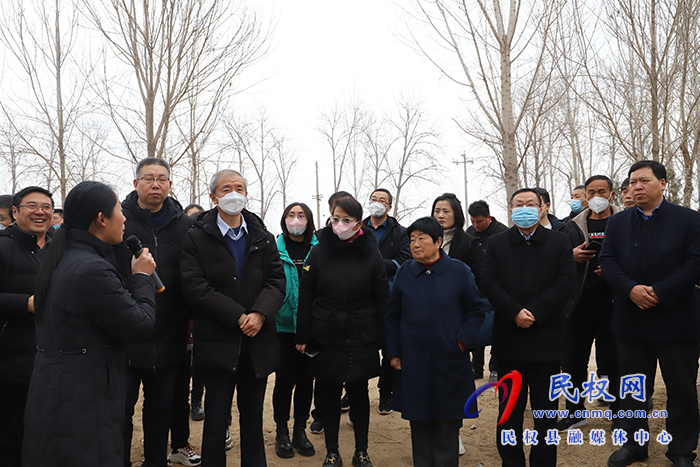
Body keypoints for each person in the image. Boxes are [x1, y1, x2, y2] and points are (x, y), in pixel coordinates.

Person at [22, 181, 157, 466]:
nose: (124, 219)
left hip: (65, 389)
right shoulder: (90, 269)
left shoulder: (67, 256)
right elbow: (140, 325)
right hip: (81, 401)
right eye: (120, 211)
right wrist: (142, 278)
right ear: (101, 219)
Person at [181, 169, 285, 467]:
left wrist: (259, 313)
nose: (234, 193)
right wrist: (238, 316)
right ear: (213, 196)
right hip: (217, 340)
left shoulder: (262, 236)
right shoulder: (196, 237)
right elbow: (195, 287)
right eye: (226, 188)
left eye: (239, 187)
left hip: (257, 340)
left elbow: (276, 281)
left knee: (253, 418)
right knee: (215, 418)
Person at [600, 160, 700, 467]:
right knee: (632, 388)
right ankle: (634, 444)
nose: (636, 187)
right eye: (632, 182)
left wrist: (661, 291)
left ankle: (681, 450)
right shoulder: (617, 223)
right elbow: (609, 260)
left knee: (681, 388)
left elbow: (695, 261)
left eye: (644, 180)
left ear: (663, 183)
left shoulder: (689, 219)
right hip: (632, 320)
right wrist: (630, 289)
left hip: (677, 319)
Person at [481, 188, 576, 467]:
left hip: (546, 340)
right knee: (508, 413)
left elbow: (566, 282)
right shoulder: (497, 243)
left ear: (543, 208)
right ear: (511, 210)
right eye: (518, 204)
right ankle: (512, 462)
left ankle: (543, 463)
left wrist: (534, 311)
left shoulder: (559, 242)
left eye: (530, 204)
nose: (524, 208)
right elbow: (489, 282)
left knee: (545, 414)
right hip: (508, 342)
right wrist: (513, 312)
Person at [116, 157, 199, 467]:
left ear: (170, 184)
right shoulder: (118, 219)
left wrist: (191, 316)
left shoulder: (185, 224)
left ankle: (155, 461)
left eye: (162, 179)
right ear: (136, 183)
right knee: (121, 407)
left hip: (170, 330)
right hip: (125, 330)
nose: (155, 184)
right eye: (148, 178)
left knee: (162, 407)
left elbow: (192, 275)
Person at [296, 196, 389, 467]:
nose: (340, 224)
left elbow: (382, 296)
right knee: (328, 394)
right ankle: (332, 452)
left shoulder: (371, 251)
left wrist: (383, 339)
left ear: (359, 223)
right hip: (326, 333)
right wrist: (303, 334)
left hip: (361, 332)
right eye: (336, 218)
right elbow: (306, 294)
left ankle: (362, 451)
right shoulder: (319, 250)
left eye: (347, 220)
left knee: (359, 393)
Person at [386, 216, 484, 467]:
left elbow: (475, 312)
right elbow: (392, 314)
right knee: (419, 425)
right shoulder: (405, 272)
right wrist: (394, 351)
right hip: (413, 362)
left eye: (422, 239)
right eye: (412, 239)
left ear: (438, 241)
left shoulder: (459, 271)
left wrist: (461, 342)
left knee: (446, 425)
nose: (416, 244)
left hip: (449, 361)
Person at [558, 175, 622, 432]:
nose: (596, 196)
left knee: (615, 361)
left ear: (611, 194)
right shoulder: (571, 227)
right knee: (573, 361)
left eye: (601, 191)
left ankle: (620, 414)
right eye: (591, 191)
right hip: (579, 304)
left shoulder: (626, 221)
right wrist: (569, 256)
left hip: (616, 303)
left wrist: (614, 270)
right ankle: (575, 412)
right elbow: (555, 261)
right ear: (585, 195)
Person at [0, 186, 53, 467]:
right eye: (32, 206)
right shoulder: (3, 245)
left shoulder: (61, 247)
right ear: (15, 211)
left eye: (46, 206)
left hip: (53, 358)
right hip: (12, 360)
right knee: (12, 436)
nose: (39, 212)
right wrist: (26, 304)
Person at [273, 203, 318, 459]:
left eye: (301, 215)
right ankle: (282, 431)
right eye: (291, 215)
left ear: (309, 220)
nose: (296, 219)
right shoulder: (274, 249)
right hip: (283, 327)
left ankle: (300, 429)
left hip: (311, 327)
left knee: (306, 380)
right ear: (284, 219)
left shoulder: (318, 249)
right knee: (284, 381)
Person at [362, 188, 411, 414]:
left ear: (389, 207)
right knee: (360, 344)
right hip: (360, 296)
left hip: (389, 296)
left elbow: (404, 258)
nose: (377, 203)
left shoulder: (400, 232)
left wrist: (377, 266)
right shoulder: (357, 228)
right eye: (374, 199)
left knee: (389, 345)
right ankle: (352, 393)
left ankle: (385, 393)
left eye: (382, 200)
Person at [466, 199, 508, 383]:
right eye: (473, 221)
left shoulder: (502, 233)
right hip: (474, 288)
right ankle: (476, 368)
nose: (476, 225)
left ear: (488, 217)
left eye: (479, 221)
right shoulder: (469, 234)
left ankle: (495, 368)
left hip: (496, 288)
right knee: (476, 329)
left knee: (495, 331)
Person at [183, 202, 206, 421]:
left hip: (203, 315)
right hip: (179, 314)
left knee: (200, 363)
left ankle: (197, 400)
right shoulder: (181, 245)